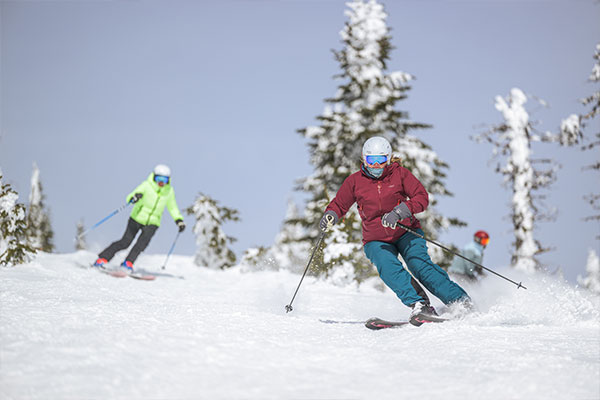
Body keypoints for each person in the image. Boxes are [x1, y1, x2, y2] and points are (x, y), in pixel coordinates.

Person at [319, 136, 471, 326]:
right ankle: (420, 304)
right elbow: (340, 204)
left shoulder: (400, 175)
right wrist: (331, 214)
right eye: (370, 160)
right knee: (387, 266)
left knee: (420, 266)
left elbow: (421, 197)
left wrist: (401, 211)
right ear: (363, 160)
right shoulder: (355, 181)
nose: (375, 165)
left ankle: (461, 302)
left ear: (389, 159)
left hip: (406, 232)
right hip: (376, 239)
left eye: (380, 160)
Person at [92, 164, 185, 272]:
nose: (161, 182)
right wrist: (135, 197)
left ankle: (128, 263)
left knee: (141, 245)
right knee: (125, 242)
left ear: (168, 180)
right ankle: (102, 259)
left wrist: (179, 220)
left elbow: (172, 207)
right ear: (154, 177)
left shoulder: (169, 191)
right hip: (136, 219)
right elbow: (131, 196)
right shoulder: (146, 186)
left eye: (164, 180)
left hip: (153, 223)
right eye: (159, 179)